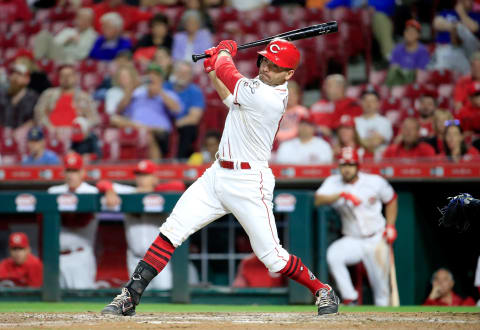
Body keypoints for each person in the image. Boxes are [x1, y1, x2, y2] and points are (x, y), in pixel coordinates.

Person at [101, 38, 340, 316]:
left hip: (250, 182)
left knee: (273, 258)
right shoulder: (254, 91)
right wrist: (213, 68)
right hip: (216, 176)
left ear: (288, 74)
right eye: (265, 61)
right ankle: (129, 295)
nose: (266, 69)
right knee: (171, 230)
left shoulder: (269, 97)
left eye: (276, 67)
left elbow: (232, 77)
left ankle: (322, 289)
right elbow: (229, 97)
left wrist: (223, 53)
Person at [315, 147, 398, 306]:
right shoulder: (333, 182)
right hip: (353, 239)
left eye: (351, 165)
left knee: (381, 292)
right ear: (339, 167)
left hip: (376, 239)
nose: (347, 169)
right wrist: (341, 194)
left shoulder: (374, 181)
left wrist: (391, 226)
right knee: (334, 255)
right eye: (344, 165)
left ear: (358, 166)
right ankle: (350, 297)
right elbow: (318, 199)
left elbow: (391, 199)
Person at [96, 160, 196, 290]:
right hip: (135, 259)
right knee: (137, 299)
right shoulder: (128, 193)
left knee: (165, 294)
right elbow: (102, 183)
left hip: (160, 258)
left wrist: (151, 191)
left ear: (155, 178)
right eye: (139, 175)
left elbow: (179, 185)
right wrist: (109, 190)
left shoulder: (163, 194)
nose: (141, 179)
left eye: (146, 175)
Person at [48, 152, 99, 289]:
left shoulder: (91, 192)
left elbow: (79, 222)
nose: (71, 175)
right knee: (55, 302)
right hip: (57, 257)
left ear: (82, 172)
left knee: (83, 301)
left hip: (80, 256)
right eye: (68, 170)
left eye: (75, 171)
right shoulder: (54, 191)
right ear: (63, 172)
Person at [111, 63, 181, 160]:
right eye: (149, 74)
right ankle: (146, 129)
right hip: (136, 129)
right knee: (114, 119)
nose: (151, 77)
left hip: (159, 133)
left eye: (155, 75)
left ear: (161, 78)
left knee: (148, 136)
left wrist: (159, 91)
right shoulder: (137, 93)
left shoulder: (168, 94)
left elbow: (176, 109)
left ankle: (153, 170)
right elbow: (119, 109)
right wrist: (131, 87)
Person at [34, 64, 100, 133]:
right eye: (63, 75)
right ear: (59, 78)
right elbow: (38, 113)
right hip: (51, 132)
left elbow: (94, 118)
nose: (66, 78)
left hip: (76, 134)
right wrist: (49, 127)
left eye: (69, 75)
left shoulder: (84, 97)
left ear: (75, 77)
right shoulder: (48, 94)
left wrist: (82, 125)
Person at [165, 61, 205, 159]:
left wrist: (175, 124)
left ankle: (180, 160)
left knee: (189, 129)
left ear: (191, 76)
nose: (182, 75)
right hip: (163, 122)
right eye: (180, 72)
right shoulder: (165, 87)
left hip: (181, 123)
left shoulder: (195, 91)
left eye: (186, 73)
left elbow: (194, 118)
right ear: (174, 73)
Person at [430, 0, 480, 75]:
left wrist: (462, 14)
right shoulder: (448, 12)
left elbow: (474, 28)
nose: (470, 1)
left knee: (461, 29)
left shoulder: (475, 15)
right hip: (447, 49)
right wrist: (454, 26)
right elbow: (436, 23)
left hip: (468, 50)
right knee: (441, 66)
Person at [33, 8, 98, 63]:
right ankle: (37, 61)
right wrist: (67, 40)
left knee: (45, 36)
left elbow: (82, 54)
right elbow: (55, 43)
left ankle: (38, 62)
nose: (81, 21)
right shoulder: (68, 31)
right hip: (58, 54)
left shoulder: (93, 35)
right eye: (80, 18)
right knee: (44, 34)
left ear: (91, 22)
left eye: (85, 19)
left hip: (70, 59)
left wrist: (77, 42)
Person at [0, 63, 38, 150]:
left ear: (27, 79)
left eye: (19, 75)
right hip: (3, 135)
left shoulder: (33, 97)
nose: (15, 77)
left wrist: (22, 130)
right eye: (13, 74)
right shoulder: (2, 95)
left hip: (24, 137)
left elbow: (35, 119)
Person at [310, 74, 362, 138]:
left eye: (328, 85)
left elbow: (351, 127)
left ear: (340, 88)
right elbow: (308, 122)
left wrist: (331, 131)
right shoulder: (318, 104)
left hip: (338, 139)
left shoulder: (352, 104)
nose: (324, 88)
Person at [386, 19, 430, 87]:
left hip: (414, 85)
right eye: (407, 31)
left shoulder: (423, 51)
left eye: (413, 32)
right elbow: (393, 68)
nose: (409, 34)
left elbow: (420, 72)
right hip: (398, 83)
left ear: (418, 35)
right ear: (404, 33)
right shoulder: (398, 48)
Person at [354, 87, 393, 158]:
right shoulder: (355, 121)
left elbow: (376, 142)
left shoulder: (384, 122)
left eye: (372, 101)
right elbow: (353, 142)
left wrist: (360, 141)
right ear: (361, 103)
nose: (369, 104)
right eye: (366, 101)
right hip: (359, 158)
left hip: (379, 159)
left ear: (378, 103)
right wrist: (370, 140)